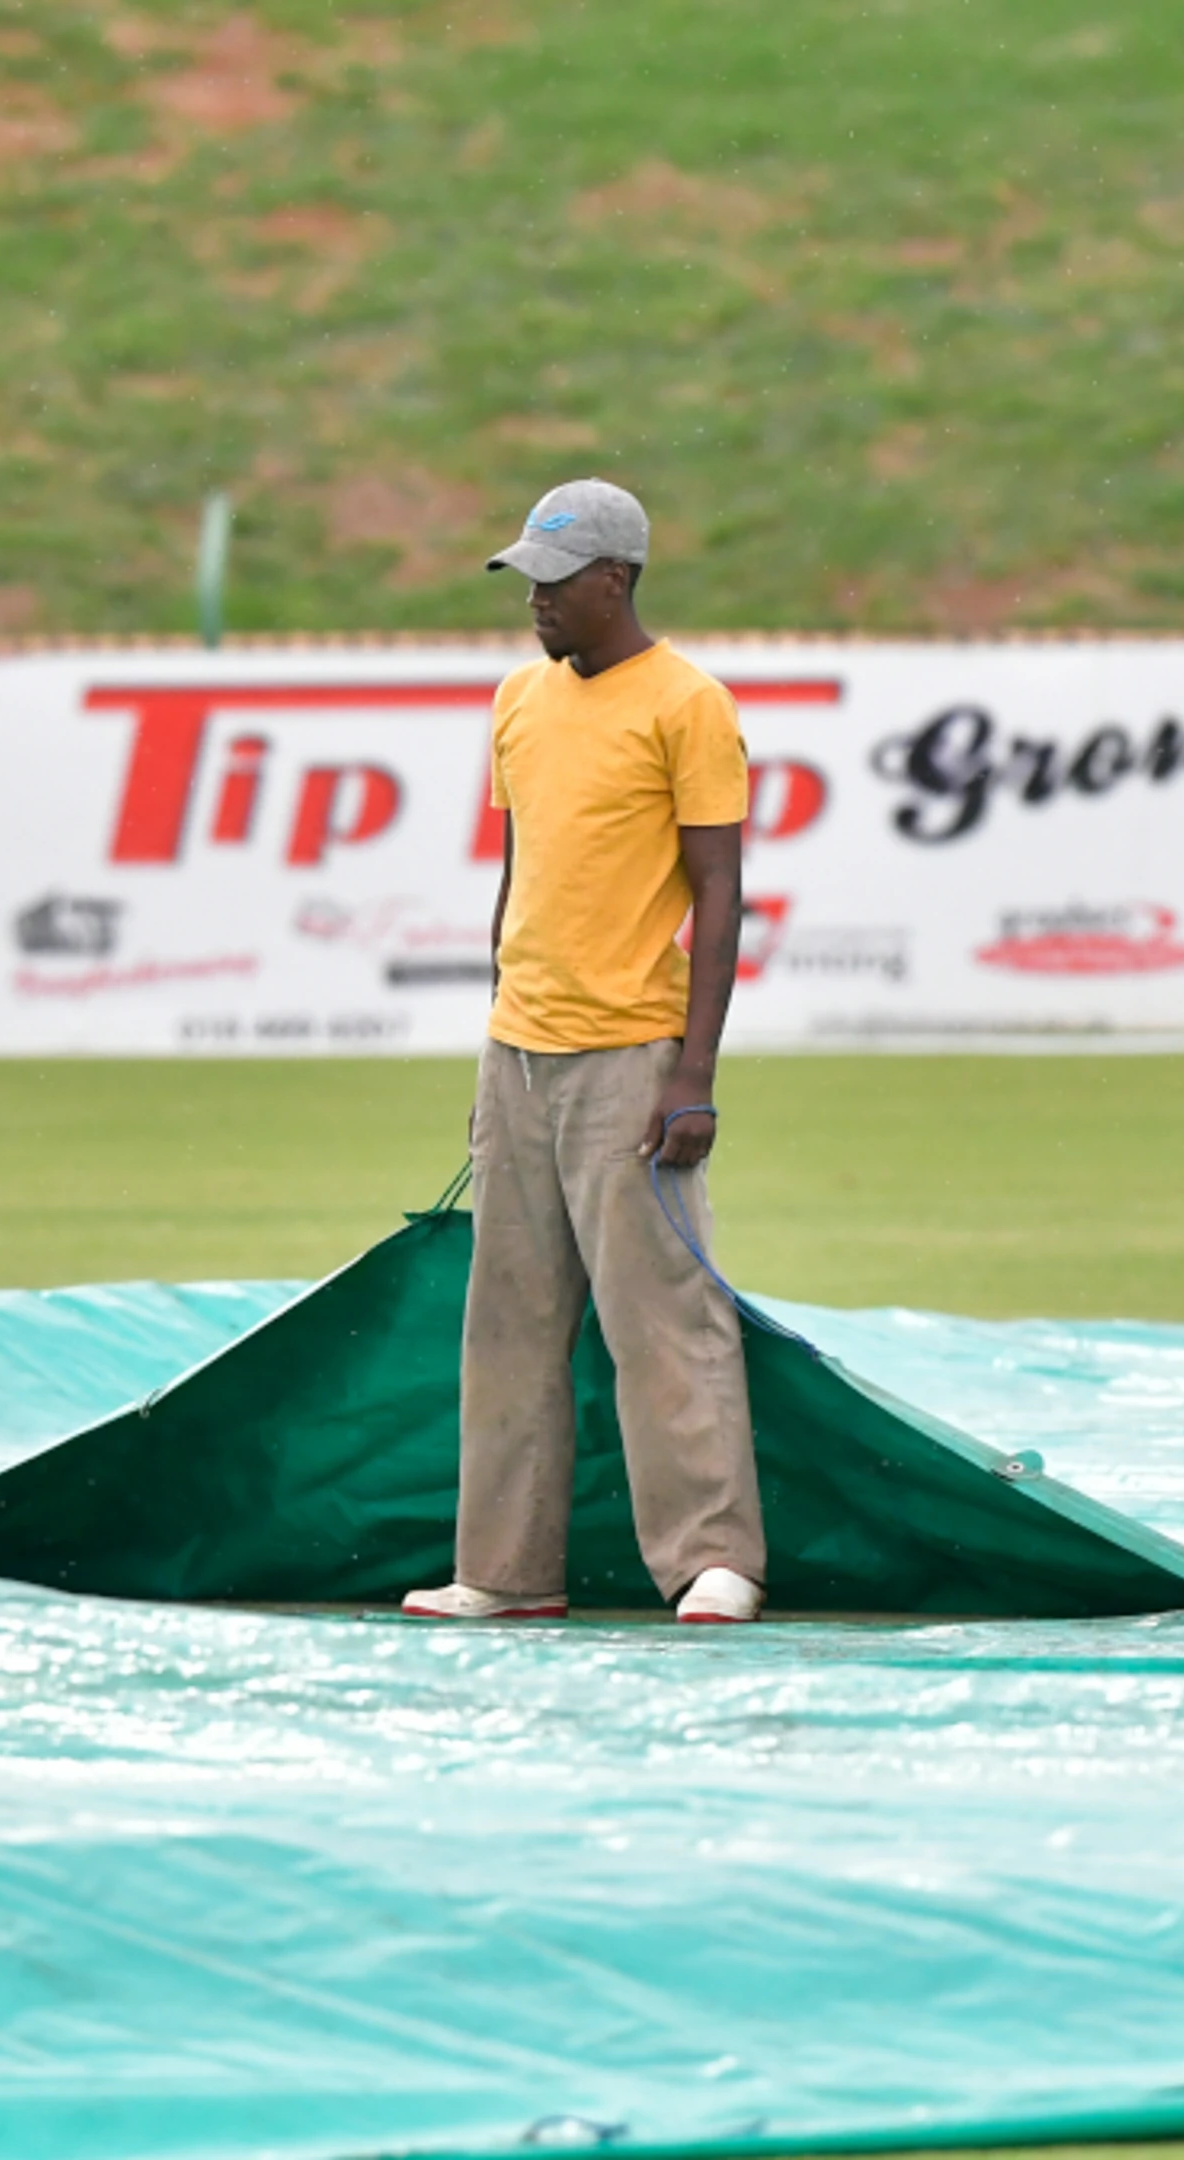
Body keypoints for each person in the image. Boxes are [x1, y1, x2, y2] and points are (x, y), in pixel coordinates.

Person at [404, 479, 766, 1626]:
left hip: (630, 1056)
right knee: (506, 1322)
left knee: (661, 1318)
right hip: (516, 1056)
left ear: (617, 581)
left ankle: (714, 1562)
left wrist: (693, 1075)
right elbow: (524, 868)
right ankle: (504, 1574)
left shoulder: (688, 705)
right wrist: (501, 997)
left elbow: (720, 892)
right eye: (527, 584)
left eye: (556, 585)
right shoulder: (518, 701)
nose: (537, 605)